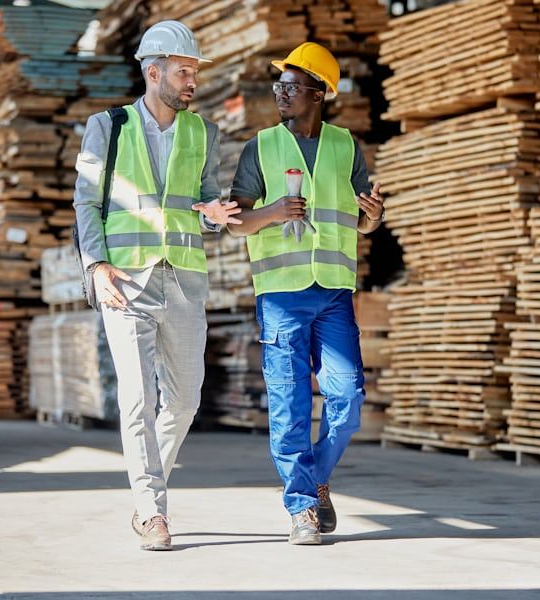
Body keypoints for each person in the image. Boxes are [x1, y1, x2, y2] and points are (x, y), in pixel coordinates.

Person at [73, 20, 241, 551]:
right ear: (154, 71)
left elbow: (206, 203)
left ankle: (149, 493)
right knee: (138, 398)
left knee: (185, 401)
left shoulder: (203, 132)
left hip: (184, 282)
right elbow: (86, 202)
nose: (192, 81)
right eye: (184, 71)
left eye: (194, 71)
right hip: (126, 281)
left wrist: (214, 216)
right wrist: (96, 266)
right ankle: (152, 510)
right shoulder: (109, 127)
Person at [227, 42, 384, 545]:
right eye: (279, 87)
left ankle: (315, 479)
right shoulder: (262, 146)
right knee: (290, 405)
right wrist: (272, 212)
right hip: (280, 296)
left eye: (292, 87)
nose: (282, 95)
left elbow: (360, 218)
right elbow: (235, 223)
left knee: (348, 397)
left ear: (320, 94)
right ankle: (301, 508)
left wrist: (373, 221)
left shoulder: (345, 147)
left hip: (334, 291)